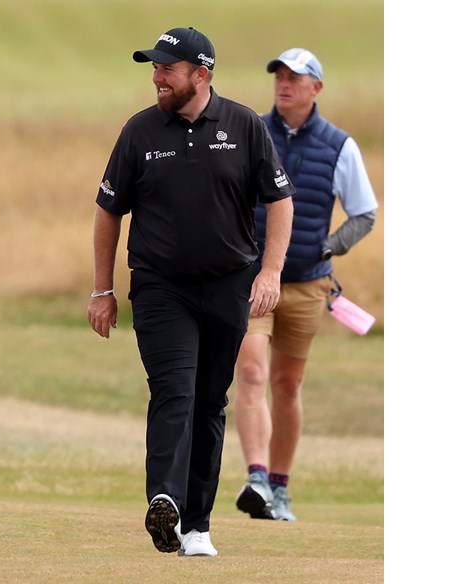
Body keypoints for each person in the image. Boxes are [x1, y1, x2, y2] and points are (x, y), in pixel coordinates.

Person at [87, 26, 294, 558]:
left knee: (209, 402)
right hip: (160, 288)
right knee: (174, 390)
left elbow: (280, 200)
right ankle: (165, 501)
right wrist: (102, 289)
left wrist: (270, 273)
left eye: (166, 69)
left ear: (200, 74)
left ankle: (197, 524)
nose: (156, 77)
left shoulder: (244, 126)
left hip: (229, 286)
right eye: (153, 68)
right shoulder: (139, 132)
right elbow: (109, 211)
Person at [233, 48, 379, 522]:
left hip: (308, 286)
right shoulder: (249, 132)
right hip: (253, 280)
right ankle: (256, 477)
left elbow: (365, 213)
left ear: (316, 87)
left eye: (296, 77)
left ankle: (279, 487)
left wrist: (329, 247)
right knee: (252, 371)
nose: (284, 83)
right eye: (279, 74)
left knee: (287, 384)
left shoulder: (339, 145)